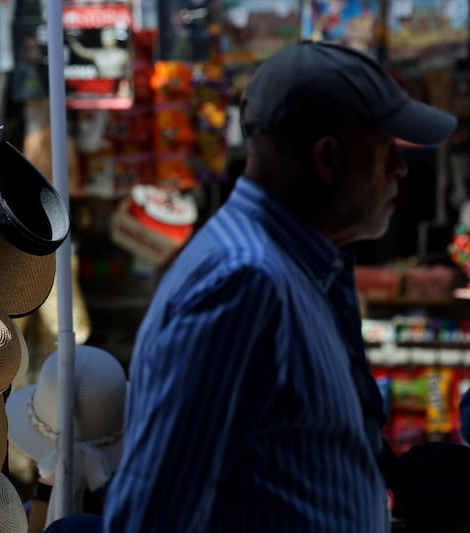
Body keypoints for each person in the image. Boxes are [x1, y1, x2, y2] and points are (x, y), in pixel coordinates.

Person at [103, 41, 457, 532]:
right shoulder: (246, 283)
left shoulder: (297, 268)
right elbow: (153, 513)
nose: (400, 169)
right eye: (384, 152)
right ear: (329, 158)